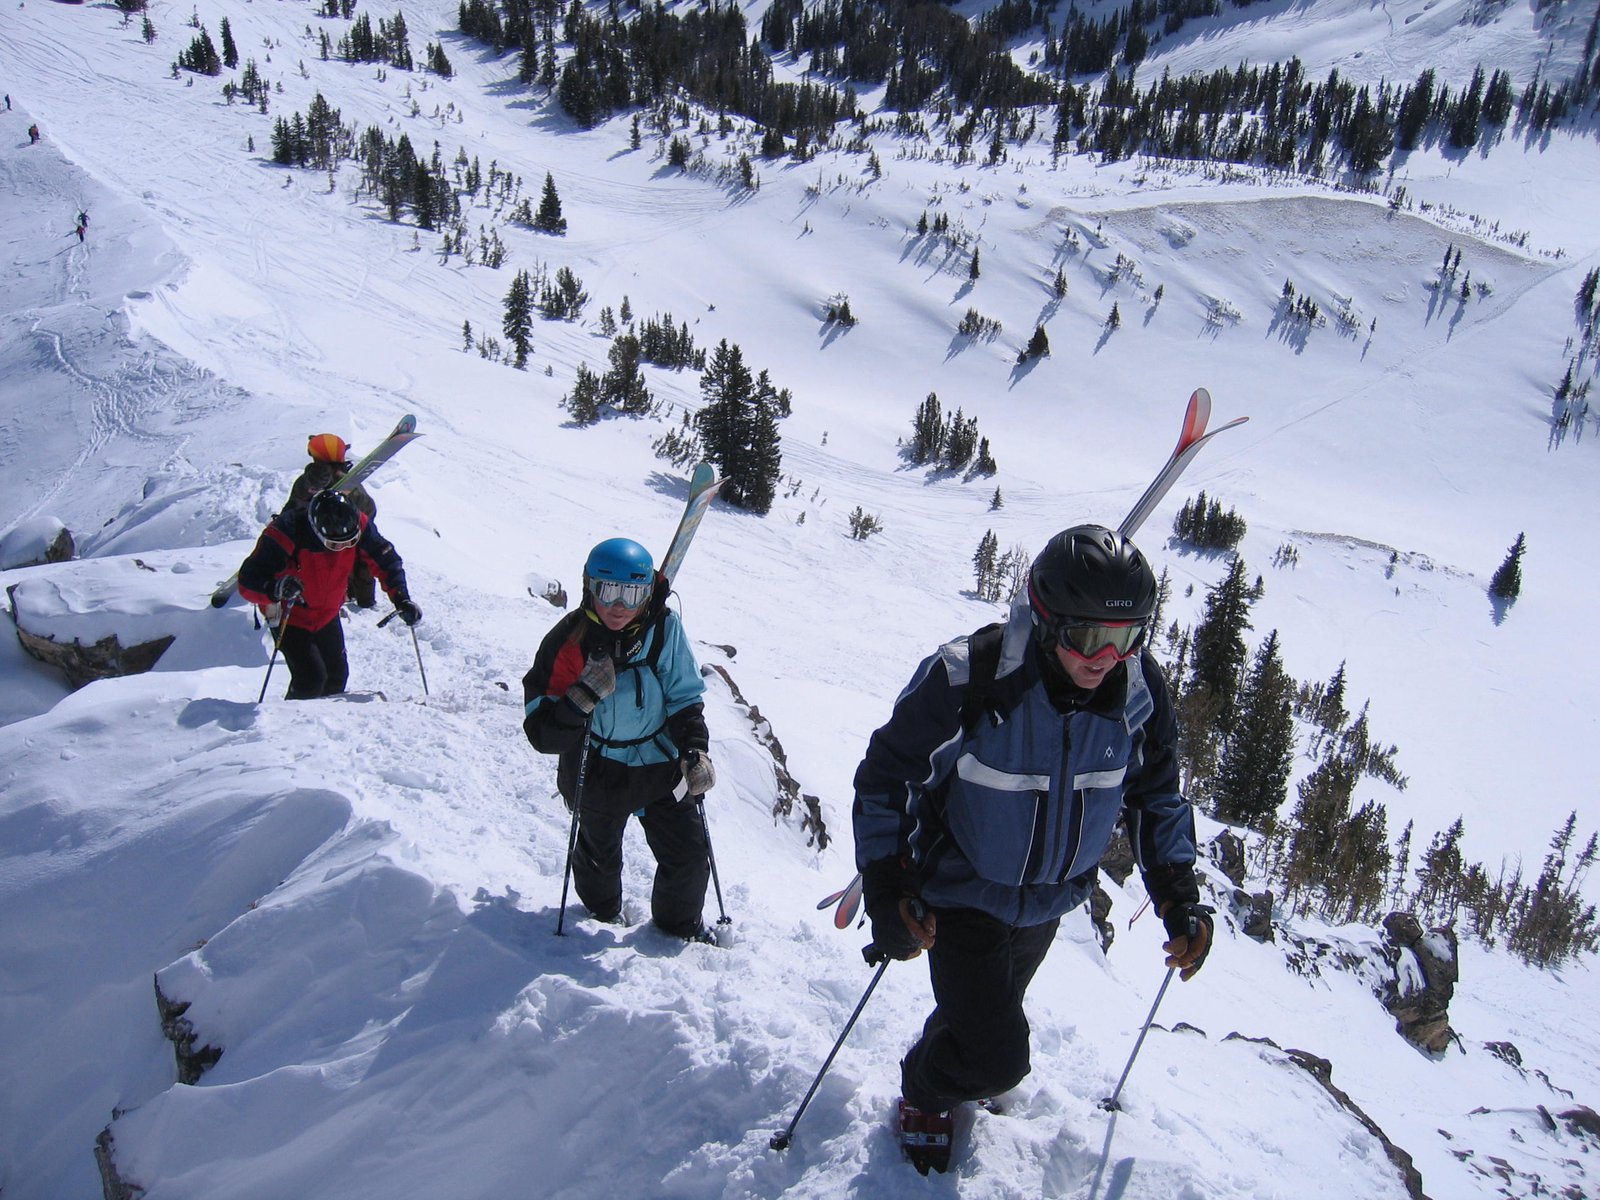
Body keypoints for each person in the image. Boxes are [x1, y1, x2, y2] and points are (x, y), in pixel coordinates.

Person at [852, 524, 1213, 1174]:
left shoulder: (1139, 696)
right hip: (960, 891)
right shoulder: (974, 679)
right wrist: (887, 884)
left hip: (1049, 901)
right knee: (998, 1058)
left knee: (985, 1020)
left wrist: (1178, 898)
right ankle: (924, 1090)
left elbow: (1158, 799)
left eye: (1128, 637)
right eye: (1087, 636)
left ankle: (956, 1059)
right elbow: (887, 777)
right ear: (1046, 621)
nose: (1106, 656)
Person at [521, 537, 716, 941]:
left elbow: (683, 696)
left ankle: (677, 932)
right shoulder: (567, 642)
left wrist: (694, 750)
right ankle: (599, 917)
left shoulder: (663, 628)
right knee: (597, 857)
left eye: (632, 592)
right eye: (608, 590)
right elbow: (542, 733)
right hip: (596, 769)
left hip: (659, 763)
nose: (619, 605)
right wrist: (582, 698)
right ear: (589, 587)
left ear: (647, 592)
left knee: (689, 855)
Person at [237, 489, 420, 699]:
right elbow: (248, 580)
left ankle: (322, 727)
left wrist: (401, 598)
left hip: (327, 612)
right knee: (310, 679)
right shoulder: (287, 531)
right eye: (334, 544)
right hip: (291, 615)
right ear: (316, 531)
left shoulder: (357, 524)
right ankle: (287, 727)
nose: (342, 548)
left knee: (336, 677)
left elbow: (386, 560)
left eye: (350, 543)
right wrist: (275, 588)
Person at [285, 433, 378, 608]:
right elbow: (370, 509)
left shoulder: (307, 482)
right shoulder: (351, 483)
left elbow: (292, 509)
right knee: (360, 555)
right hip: (353, 531)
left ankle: (348, 597)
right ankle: (363, 600)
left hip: (317, 543)